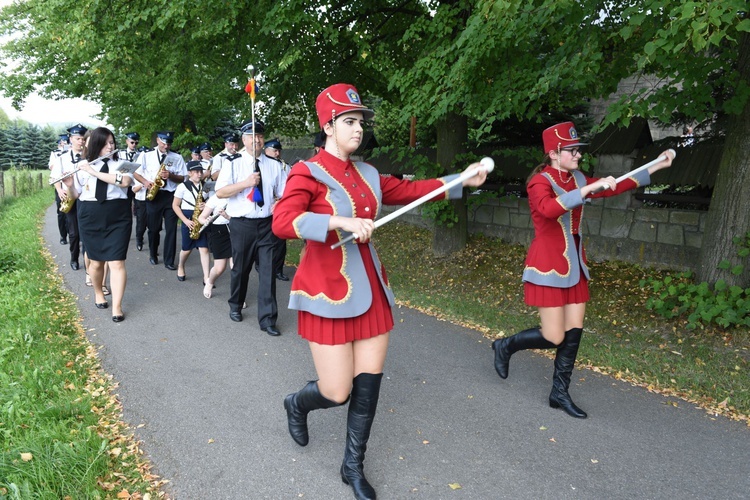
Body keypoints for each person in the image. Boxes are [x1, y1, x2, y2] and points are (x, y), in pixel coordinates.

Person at [272, 83, 488, 500]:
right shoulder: (307, 172)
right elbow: (282, 222)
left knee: (367, 386)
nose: (358, 129)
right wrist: (339, 223)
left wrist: (461, 179)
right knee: (337, 391)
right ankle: (296, 404)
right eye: (349, 121)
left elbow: (410, 191)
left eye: (360, 122)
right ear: (328, 126)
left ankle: (352, 466)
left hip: (371, 289)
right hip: (326, 292)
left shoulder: (368, 173)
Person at [491, 121, 674, 419]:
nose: (578, 156)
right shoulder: (539, 182)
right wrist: (587, 188)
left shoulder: (576, 177)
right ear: (554, 153)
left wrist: (656, 167)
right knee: (554, 336)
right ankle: (505, 345)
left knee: (573, 332)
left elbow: (615, 184)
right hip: (549, 264)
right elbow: (549, 210)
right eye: (572, 151)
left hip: (575, 262)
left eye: (578, 151)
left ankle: (559, 392)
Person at [215, 120, 286, 335]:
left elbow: (284, 193)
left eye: (260, 136)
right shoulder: (233, 163)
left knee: (267, 272)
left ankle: (267, 320)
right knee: (241, 268)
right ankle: (235, 304)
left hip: (267, 224)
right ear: (243, 139)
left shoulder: (275, 165)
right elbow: (220, 192)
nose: (256, 140)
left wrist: (279, 202)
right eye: (251, 136)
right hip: (242, 224)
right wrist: (245, 183)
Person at [61, 126, 134, 322]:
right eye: (107, 142)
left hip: (118, 215)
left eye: (112, 142)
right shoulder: (81, 165)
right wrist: (69, 185)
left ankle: (117, 306)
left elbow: (125, 182)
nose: (111, 146)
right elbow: (75, 195)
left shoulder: (123, 163)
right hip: (90, 214)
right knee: (95, 262)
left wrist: (93, 171)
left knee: (117, 261)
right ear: (96, 144)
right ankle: (98, 292)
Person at [133, 131, 187, 270]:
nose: (166, 146)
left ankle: (169, 260)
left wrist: (170, 175)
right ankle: (153, 254)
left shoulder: (177, 157)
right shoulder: (147, 155)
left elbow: (182, 178)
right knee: (154, 228)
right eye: (164, 143)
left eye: (169, 143)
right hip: (154, 194)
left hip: (170, 195)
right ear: (158, 140)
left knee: (171, 230)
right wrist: (145, 182)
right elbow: (135, 173)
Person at [51, 124, 88, 271]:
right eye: (78, 138)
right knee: (73, 233)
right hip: (70, 198)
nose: (81, 141)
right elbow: (54, 177)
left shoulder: (90, 157)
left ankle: (88, 262)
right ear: (71, 139)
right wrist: (60, 190)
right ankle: (74, 257)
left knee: (86, 231)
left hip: (86, 198)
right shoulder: (62, 158)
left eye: (83, 138)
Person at [172, 161, 210, 283]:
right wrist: (185, 221)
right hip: (188, 218)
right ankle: (181, 265)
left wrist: (207, 205)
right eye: (196, 172)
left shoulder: (206, 186)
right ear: (189, 173)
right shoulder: (182, 187)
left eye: (201, 172)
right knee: (187, 249)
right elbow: (175, 205)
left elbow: (211, 202)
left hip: (201, 218)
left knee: (204, 249)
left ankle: (207, 278)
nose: (199, 175)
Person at [264, 137, 290, 281]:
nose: (277, 153)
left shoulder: (284, 166)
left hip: (280, 206)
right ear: (266, 150)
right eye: (274, 151)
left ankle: (278, 270)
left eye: (278, 151)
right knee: (265, 240)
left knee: (280, 240)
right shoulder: (260, 165)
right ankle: (261, 264)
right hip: (264, 207)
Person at [198, 194, 231, 299]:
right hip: (219, 232)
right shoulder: (216, 198)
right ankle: (210, 282)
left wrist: (227, 216)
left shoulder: (240, 196)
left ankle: (238, 298)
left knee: (236, 267)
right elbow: (201, 217)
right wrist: (206, 221)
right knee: (219, 268)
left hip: (236, 230)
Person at [49, 133, 70, 245]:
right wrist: (60, 157)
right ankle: (63, 236)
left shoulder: (73, 153)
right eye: (63, 142)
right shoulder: (55, 154)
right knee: (62, 212)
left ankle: (73, 234)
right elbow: (52, 168)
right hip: (60, 186)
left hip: (71, 186)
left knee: (71, 212)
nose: (65, 144)